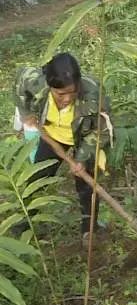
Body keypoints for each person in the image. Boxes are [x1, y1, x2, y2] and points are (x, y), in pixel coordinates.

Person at [14, 53, 112, 238]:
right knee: (37, 178)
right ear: (49, 86)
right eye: (60, 94)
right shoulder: (35, 81)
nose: (67, 98)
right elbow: (19, 81)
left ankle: (89, 231)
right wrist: (26, 112)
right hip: (53, 136)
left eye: (71, 92)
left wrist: (81, 158)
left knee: (86, 186)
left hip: (84, 138)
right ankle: (24, 223)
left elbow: (102, 130)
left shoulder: (93, 93)